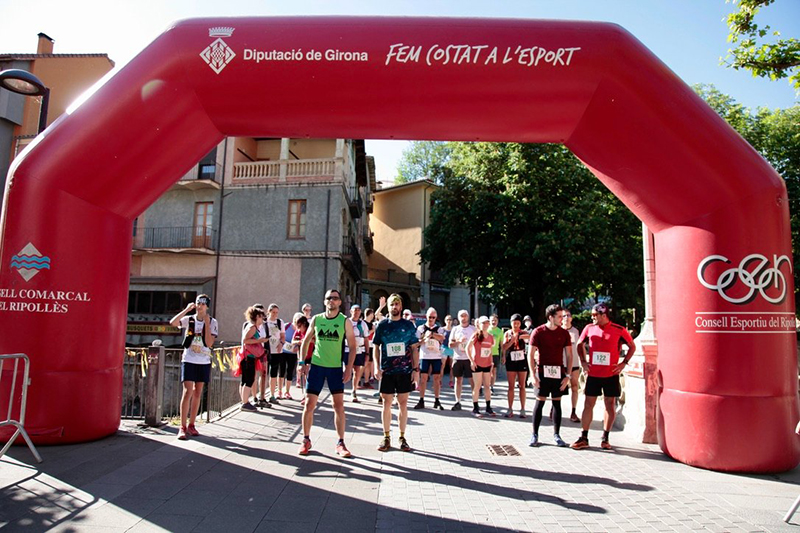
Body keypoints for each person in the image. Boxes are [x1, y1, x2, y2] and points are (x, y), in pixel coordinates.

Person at [298, 289, 357, 457]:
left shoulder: (344, 321)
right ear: (324, 301)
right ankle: (306, 440)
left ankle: (340, 443)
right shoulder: (317, 319)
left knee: (338, 406)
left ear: (340, 302)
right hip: (317, 366)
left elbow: (353, 347)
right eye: (329, 298)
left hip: (335, 368)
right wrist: (302, 362)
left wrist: (348, 368)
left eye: (335, 298)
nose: (332, 300)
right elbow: (305, 341)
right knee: (309, 404)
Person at [571, 303, 635, 451]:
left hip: (611, 374)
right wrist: (583, 362)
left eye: (595, 315)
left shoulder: (619, 329)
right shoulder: (589, 328)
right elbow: (579, 344)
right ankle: (584, 437)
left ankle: (605, 438)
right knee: (588, 404)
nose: (592, 317)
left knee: (609, 404)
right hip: (593, 374)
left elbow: (632, 346)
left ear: (603, 315)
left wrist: (624, 363)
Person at [373, 293, 420, 451]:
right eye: (392, 304)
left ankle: (402, 437)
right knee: (386, 403)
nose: (394, 307)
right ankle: (386, 437)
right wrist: (376, 367)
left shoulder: (408, 325)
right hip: (387, 370)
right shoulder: (382, 325)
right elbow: (376, 347)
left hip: (404, 370)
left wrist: (416, 370)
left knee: (403, 403)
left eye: (397, 304)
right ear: (388, 307)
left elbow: (414, 349)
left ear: (401, 306)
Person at [169, 294, 218, 440]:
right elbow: (173, 323)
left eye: (203, 304)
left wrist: (207, 324)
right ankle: (182, 426)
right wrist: (186, 309)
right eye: (198, 303)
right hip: (189, 359)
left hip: (203, 360)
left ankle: (192, 424)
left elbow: (209, 343)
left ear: (207, 306)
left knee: (198, 392)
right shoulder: (189, 319)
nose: (200, 306)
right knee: (187, 391)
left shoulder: (213, 322)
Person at [529, 304, 572, 447]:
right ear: (550, 317)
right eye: (559, 316)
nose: (562, 319)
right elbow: (530, 354)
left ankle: (557, 435)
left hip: (558, 372)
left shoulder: (564, 333)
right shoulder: (538, 332)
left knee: (557, 403)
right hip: (542, 372)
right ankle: (534, 434)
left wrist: (568, 375)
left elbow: (569, 355)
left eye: (563, 316)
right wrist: (532, 375)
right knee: (540, 402)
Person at [414, 307, 445, 410]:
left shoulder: (439, 329)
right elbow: (417, 342)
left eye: (433, 317)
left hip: (436, 356)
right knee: (423, 379)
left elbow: (442, 338)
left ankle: (437, 400)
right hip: (425, 356)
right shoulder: (421, 328)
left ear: (436, 318)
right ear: (426, 317)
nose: (431, 319)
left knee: (437, 378)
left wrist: (432, 334)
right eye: (429, 317)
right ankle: (421, 400)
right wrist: (424, 338)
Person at [239, 306, 268, 411]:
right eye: (261, 316)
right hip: (249, 357)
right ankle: (245, 403)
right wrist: (260, 340)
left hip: (246, 356)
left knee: (245, 380)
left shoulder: (250, 326)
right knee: (249, 380)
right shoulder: (252, 327)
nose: (262, 319)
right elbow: (246, 340)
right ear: (256, 317)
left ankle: (244, 401)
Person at [501, 313, 530, 418]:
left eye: (518, 323)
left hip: (522, 359)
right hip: (511, 359)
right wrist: (512, 340)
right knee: (511, 386)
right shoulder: (507, 333)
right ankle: (510, 408)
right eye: (514, 323)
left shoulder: (523, 332)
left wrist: (520, 336)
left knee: (522, 385)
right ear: (511, 323)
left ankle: (523, 409)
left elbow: (530, 338)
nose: (516, 325)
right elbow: (504, 347)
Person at [468, 316, 495, 417]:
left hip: (487, 364)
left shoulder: (491, 337)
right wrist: (472, 361)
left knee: (487, 386)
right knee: (477, 386)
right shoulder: (476, 335)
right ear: (479, 325)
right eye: (483, 323)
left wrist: (491, 363)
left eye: (487, 323)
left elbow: (490, 351)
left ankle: (488, 407)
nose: (485, 325)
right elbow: (467, 348)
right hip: (477, 364)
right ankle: (475, 408)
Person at [449, 309, 476, 411]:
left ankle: (475, 402)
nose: (463, 318)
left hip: (469, 358)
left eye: (465, 316)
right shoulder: (455, 329)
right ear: (458, 317)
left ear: (468, 317)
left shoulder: (473, 329)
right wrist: (459, 342)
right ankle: (458, 401)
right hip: (458, 357)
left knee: (472, 380)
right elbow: (450, 345)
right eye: (461, 316)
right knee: (458, 380)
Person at [346, 304, 370, 403]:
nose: (356, 312)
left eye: (358, 310)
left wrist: (367, 354)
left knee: (357, 371)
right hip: (347, 349)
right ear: (351, 311)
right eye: (354, 310)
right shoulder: (346, 322)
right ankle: (340, 390)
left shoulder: (362, 324)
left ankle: (354, 390)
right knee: (346, 370)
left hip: (359, 350)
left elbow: (366, 339)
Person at [562, 310, 582, 422]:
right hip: (561, 364)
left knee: (575, 387)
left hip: (574, 364)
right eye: (564, 316)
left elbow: (579, 347)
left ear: (571, 318)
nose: (566, 317)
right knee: (558, 388)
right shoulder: (558, 330)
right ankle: (553, 409)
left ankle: (573, 411)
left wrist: (583, 361)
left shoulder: (575, 331)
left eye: (568, 315)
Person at [280, 313, 302, 400]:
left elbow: (302, 341)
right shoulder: (286, 326)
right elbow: (280, 336)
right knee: (281, 371)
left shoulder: (300, 330)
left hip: (293, 354)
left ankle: (287, 392)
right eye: (297, 319)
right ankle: (279, 391)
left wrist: (297, 347)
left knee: (290, 372)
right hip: (283, 352)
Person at [361, 307, 377, 389]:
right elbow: (364, 334)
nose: (373, 316)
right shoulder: (362, 323)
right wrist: (372, 330)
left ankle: (366, 381)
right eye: (372, 314)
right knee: (365, 363)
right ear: (369, 314)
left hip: (371, 345)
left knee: (370, 363)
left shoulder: (371, 324)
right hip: (364, 345)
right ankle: (358, 380)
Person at [488, 314, 503, 393]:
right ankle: (485, 385)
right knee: (486, 371)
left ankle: (491, 386)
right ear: (489, 321)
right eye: (492, 320)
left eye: (495, 320)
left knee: (493, 371)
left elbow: (502, 345)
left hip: (495, 354)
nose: (494, 322)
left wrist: (503, 355)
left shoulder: (500, 331)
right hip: (486, 354)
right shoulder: (486, 330)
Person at [441, 314, 455, 388]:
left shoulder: (454, 329)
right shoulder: (442, 329)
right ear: (445, 321)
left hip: (452, 348)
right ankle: (440, 381)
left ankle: (451, 381)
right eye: (447, 320)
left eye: (450, 320)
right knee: (442, 365)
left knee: (452, 366)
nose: (449, 321)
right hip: (444, 348)